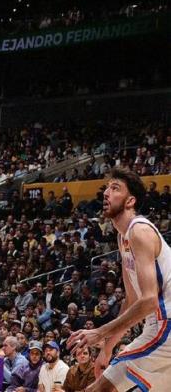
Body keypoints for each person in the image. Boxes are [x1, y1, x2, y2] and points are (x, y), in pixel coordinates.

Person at [68, 167, 171, 392]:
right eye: (107, 188)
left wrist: (100, 332)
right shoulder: (123, 237)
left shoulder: (140, 231)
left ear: (130, 201)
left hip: (166, 324)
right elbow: (131, 300)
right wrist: (107, 349)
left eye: (115, 188)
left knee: (99, 389)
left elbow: (149, 301)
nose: (106, 193)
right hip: (158, 326)